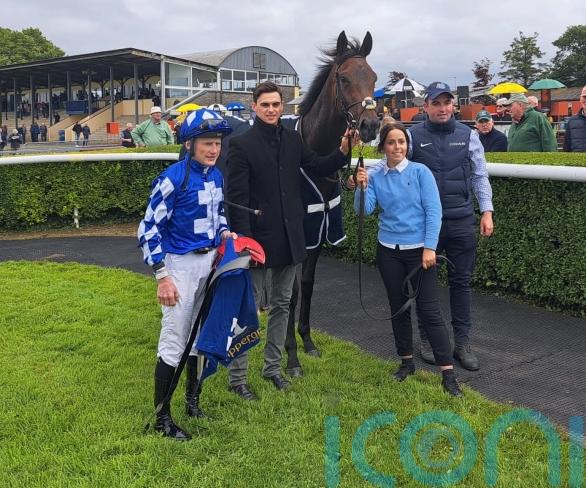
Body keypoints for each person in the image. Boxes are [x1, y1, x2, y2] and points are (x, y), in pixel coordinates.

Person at [225, 81, 356, 398]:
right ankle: (238, 378)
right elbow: (236, 200)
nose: (271, 110)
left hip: (289, 237)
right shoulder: (241, 145)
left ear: (282, 106)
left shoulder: (293, 139)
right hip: (257, 241)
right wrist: (245, 242)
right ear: (254, 107)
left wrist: (343, 150)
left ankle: (272, 368)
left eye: (275, 104)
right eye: (265, 105)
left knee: (282, 305)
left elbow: (318, 165)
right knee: (247, 309)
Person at [137, 108, 235, 440]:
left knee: (198, 335)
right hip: (179, 266)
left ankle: (193, 401)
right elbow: (148, 229)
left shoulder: (216, 176)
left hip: (209, 264)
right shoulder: (172, 178)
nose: (214, 149)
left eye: (217, 143)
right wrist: (162, 276)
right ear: (190, 144)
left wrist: (225, 234)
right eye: (207, 143)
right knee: (175, 339)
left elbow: (218, 215)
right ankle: (161, 418)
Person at [354, 122, 463, 396]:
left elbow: (433, 211)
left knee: (429, 311)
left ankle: (448, 374)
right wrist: (361, 187)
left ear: (407, 145)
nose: (397, 147)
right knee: (398, 308)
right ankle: (406, 362)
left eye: (401, 142)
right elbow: (364, 210)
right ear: (383, 147)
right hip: (388, 250)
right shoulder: (376, 175)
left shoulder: (420, 172)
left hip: (419, 252)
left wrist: (430, 247)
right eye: (391, 142)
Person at [409, 81, 494, 371]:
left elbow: (480, 175)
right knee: (424, 285)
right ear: (426, 107)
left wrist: (487, 211)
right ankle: (428, 340)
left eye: (447, 102)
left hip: (460, 220)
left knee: (461, 283)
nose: (442, 108)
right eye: (436, 103)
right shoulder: (412, 136)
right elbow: (396, 171)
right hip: (425, 225)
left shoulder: (469, 135)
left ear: (453, 105)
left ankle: (463, 343)